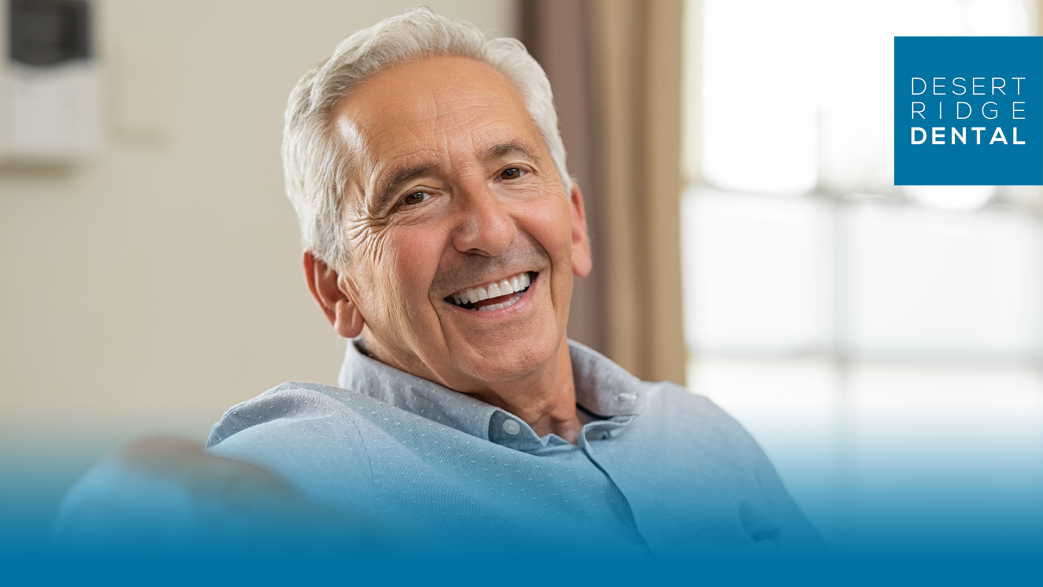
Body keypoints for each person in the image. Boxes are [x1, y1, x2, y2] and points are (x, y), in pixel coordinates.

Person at [56, 7, 821, 563]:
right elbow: (131, 517)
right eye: (414, 195)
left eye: (512, 172)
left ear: (576, 225)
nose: (487, 230)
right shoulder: (322, 463)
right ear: (336, 290)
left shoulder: (698, 432)